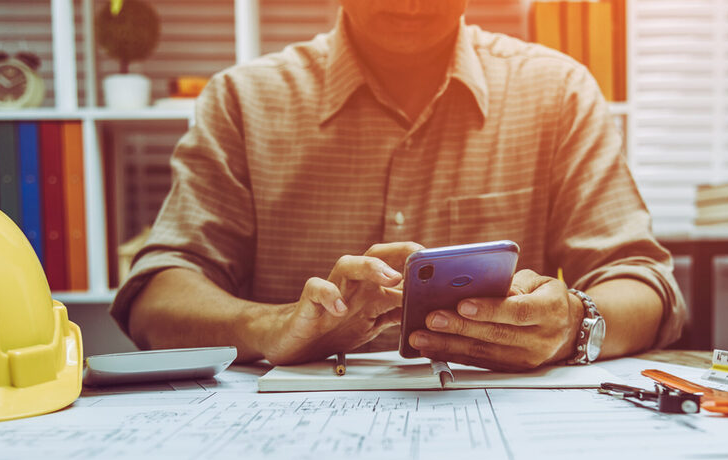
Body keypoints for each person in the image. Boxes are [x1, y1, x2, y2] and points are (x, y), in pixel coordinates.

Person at [111, 0, 686, 371]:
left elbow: (646, 285)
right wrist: (273, 327)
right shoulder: (244, 101)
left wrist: (574, 324)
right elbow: (156, 296)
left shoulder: (556, 93)